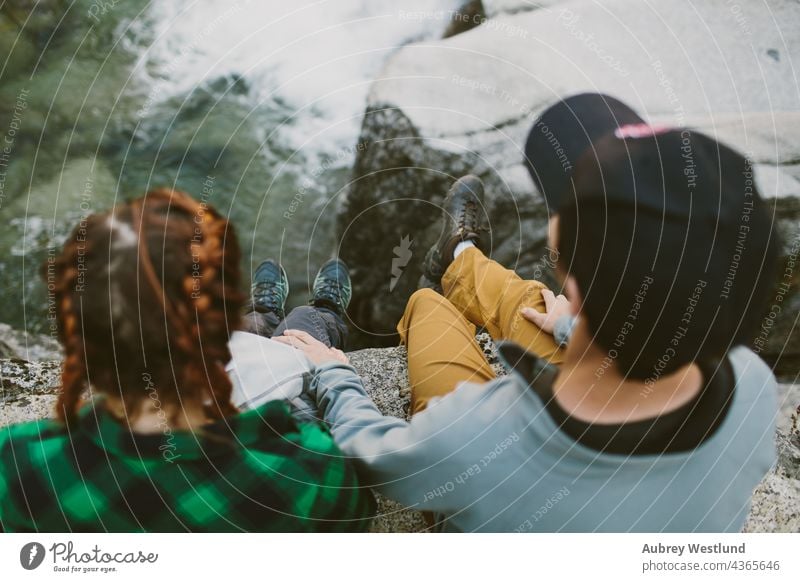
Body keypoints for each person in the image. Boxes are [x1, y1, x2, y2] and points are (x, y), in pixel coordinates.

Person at [279, 93, 780, 532]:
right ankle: (459, 256)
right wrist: (571, 324)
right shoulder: (752, 385)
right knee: (538, 307)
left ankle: (453, 271)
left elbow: (379, 457)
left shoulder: (481, 437)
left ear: (575, 277)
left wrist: (336, 375)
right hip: (615, 370)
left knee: (428, 306)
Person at [0, 188, 374, 532]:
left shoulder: (15, 466)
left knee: (263, 327)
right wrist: (333, 373)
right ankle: (316, 312)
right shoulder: (309, 470)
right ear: (224, 331)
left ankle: (263, 311)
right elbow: (358, 521)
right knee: (304, 326)